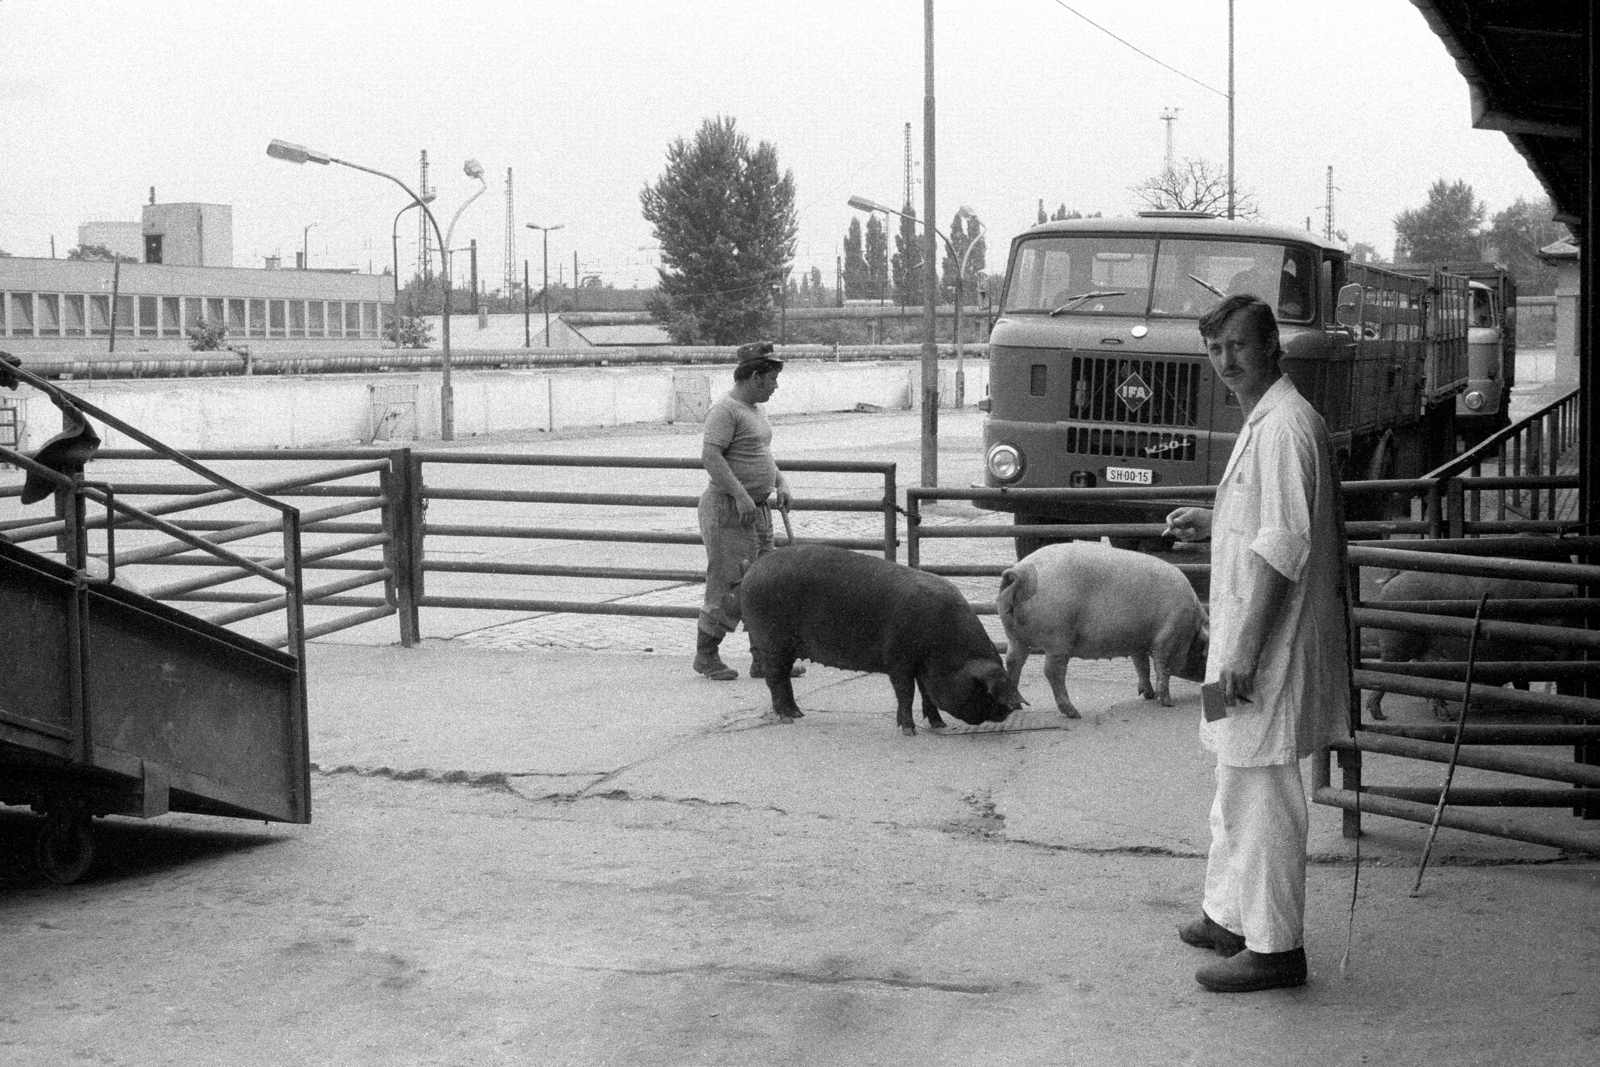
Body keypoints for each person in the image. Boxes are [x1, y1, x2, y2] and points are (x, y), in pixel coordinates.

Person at [1163, 294, 1351, 993]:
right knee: (1229, 775)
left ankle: (1276, 947)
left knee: (1263, 787)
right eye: (1215, 350)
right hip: (1240, 648)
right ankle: (1227, 914)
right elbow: (1259, 520)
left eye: (1238, 345)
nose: (1226, 360)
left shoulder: (1284, 426)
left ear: (1273, 345)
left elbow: (1282, 547)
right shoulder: (1264, 421)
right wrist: (1210, 519)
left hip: (1261, 651)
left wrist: (1243, 650)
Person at [694, 341, 804, 682]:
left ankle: (764, 659)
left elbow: (762, 452)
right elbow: (711, 457)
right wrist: (741, 495)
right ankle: (706, 655)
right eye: (771, 380)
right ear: (755, 376)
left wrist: (781, 482)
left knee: (764, 585)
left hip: (757, 510)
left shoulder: (756, 410)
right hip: (730, 510)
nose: (775, 387)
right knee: (730, 582)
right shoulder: (725, 410)